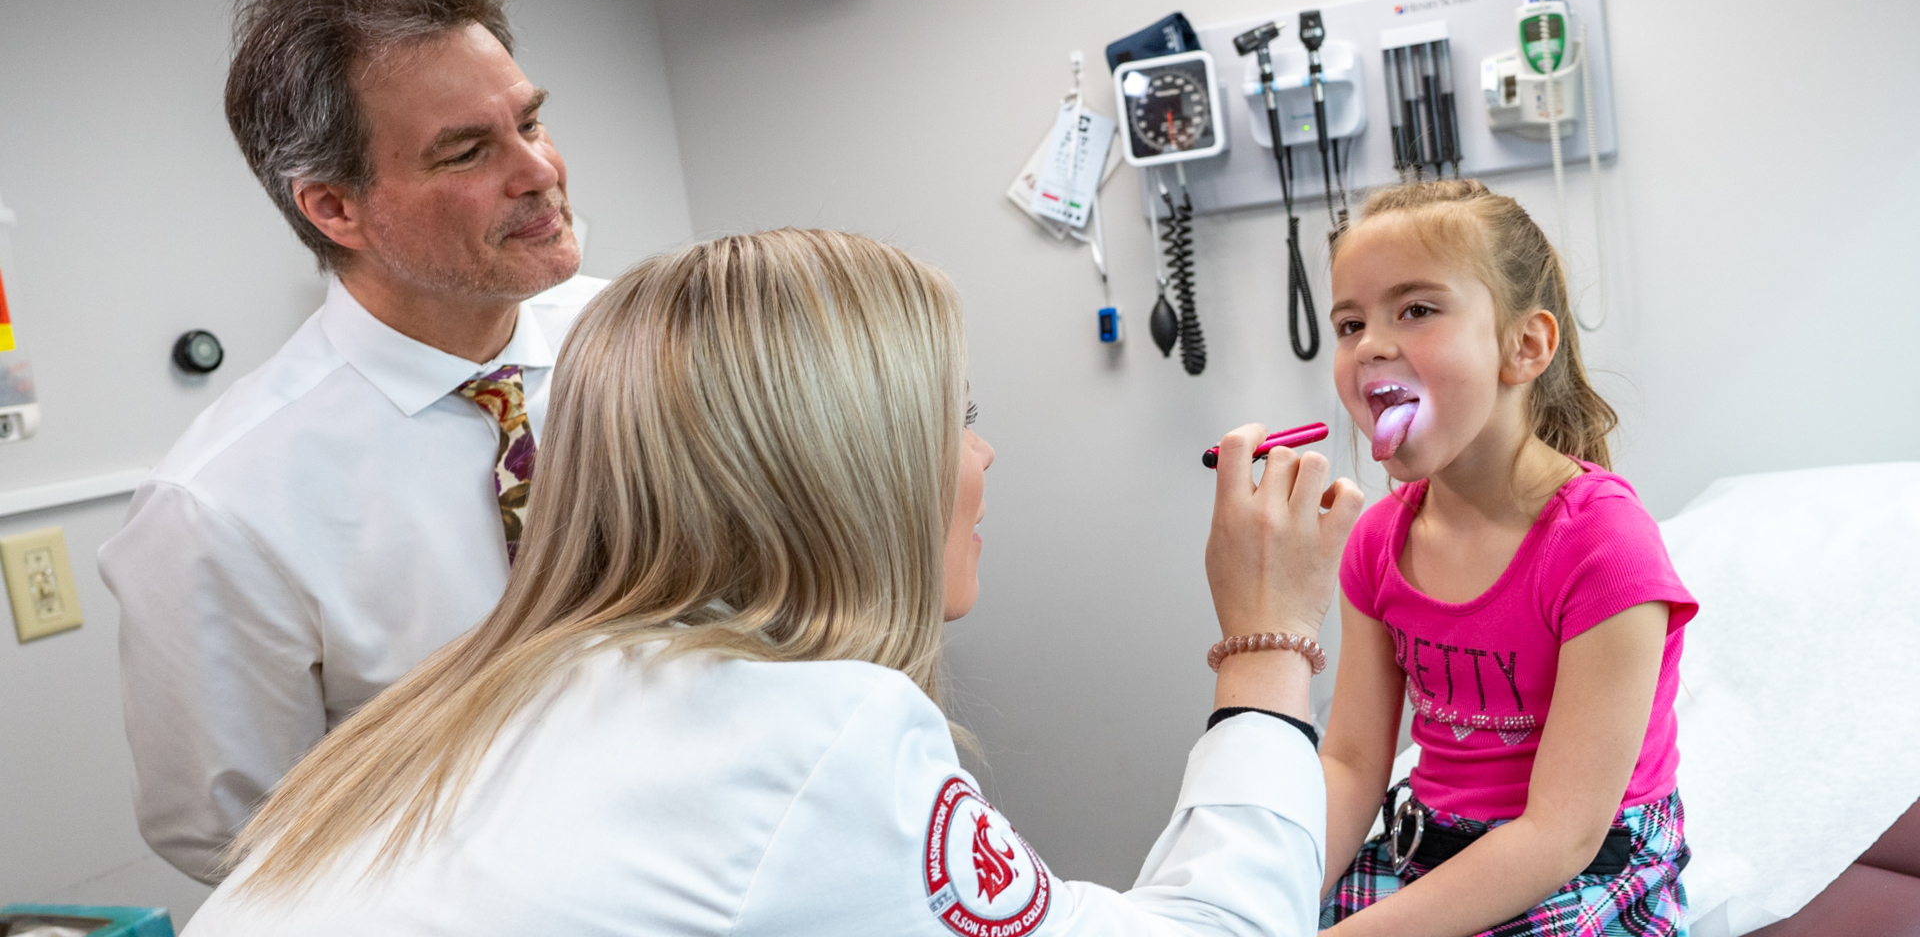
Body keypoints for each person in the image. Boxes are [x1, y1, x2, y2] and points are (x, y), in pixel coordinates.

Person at [182, 228, 1363, 936]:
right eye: (956, 418)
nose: (982, 456)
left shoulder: (468, 696)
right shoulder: (811, 737)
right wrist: (1270, 640)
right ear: (845, 466)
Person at [97, 0, 602, 883]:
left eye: (530, 122)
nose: (538, 171)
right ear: (335, 208)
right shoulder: (218, 507)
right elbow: (240, 835)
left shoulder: (646, 345)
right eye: (468, 151)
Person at [1315, 181, 1697, 936]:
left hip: (1589, 863)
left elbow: (1561, 833)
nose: (1372, 345)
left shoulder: (1603, 545)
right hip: (1434, 846)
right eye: (1350, 323)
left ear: (1524, 347)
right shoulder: (1375, 542)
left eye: (1416, 309)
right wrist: (1272, 898)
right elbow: (1355, 763)